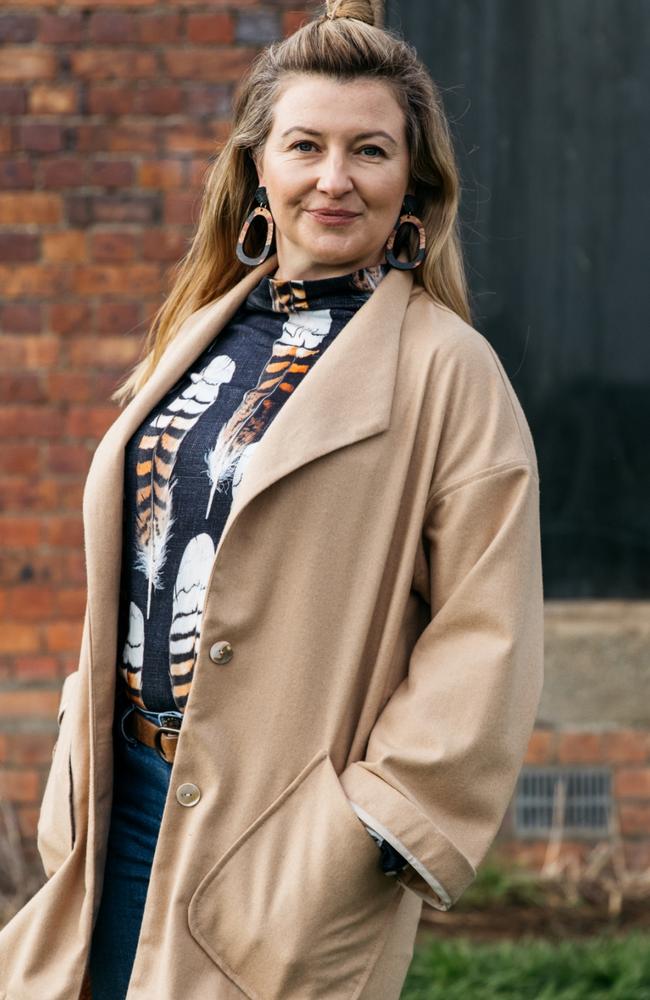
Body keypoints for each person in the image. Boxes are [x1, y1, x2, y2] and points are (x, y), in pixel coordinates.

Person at [0, 1, 544, 998]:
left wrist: (370, 826)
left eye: (368, 151)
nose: (334, 179)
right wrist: (79, 744)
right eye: (305, 145)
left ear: (410, 182)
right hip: (121, 808)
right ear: (258, 167)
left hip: (282, 843)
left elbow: (487, 626)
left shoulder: (448, 372)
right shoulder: (198, 336)